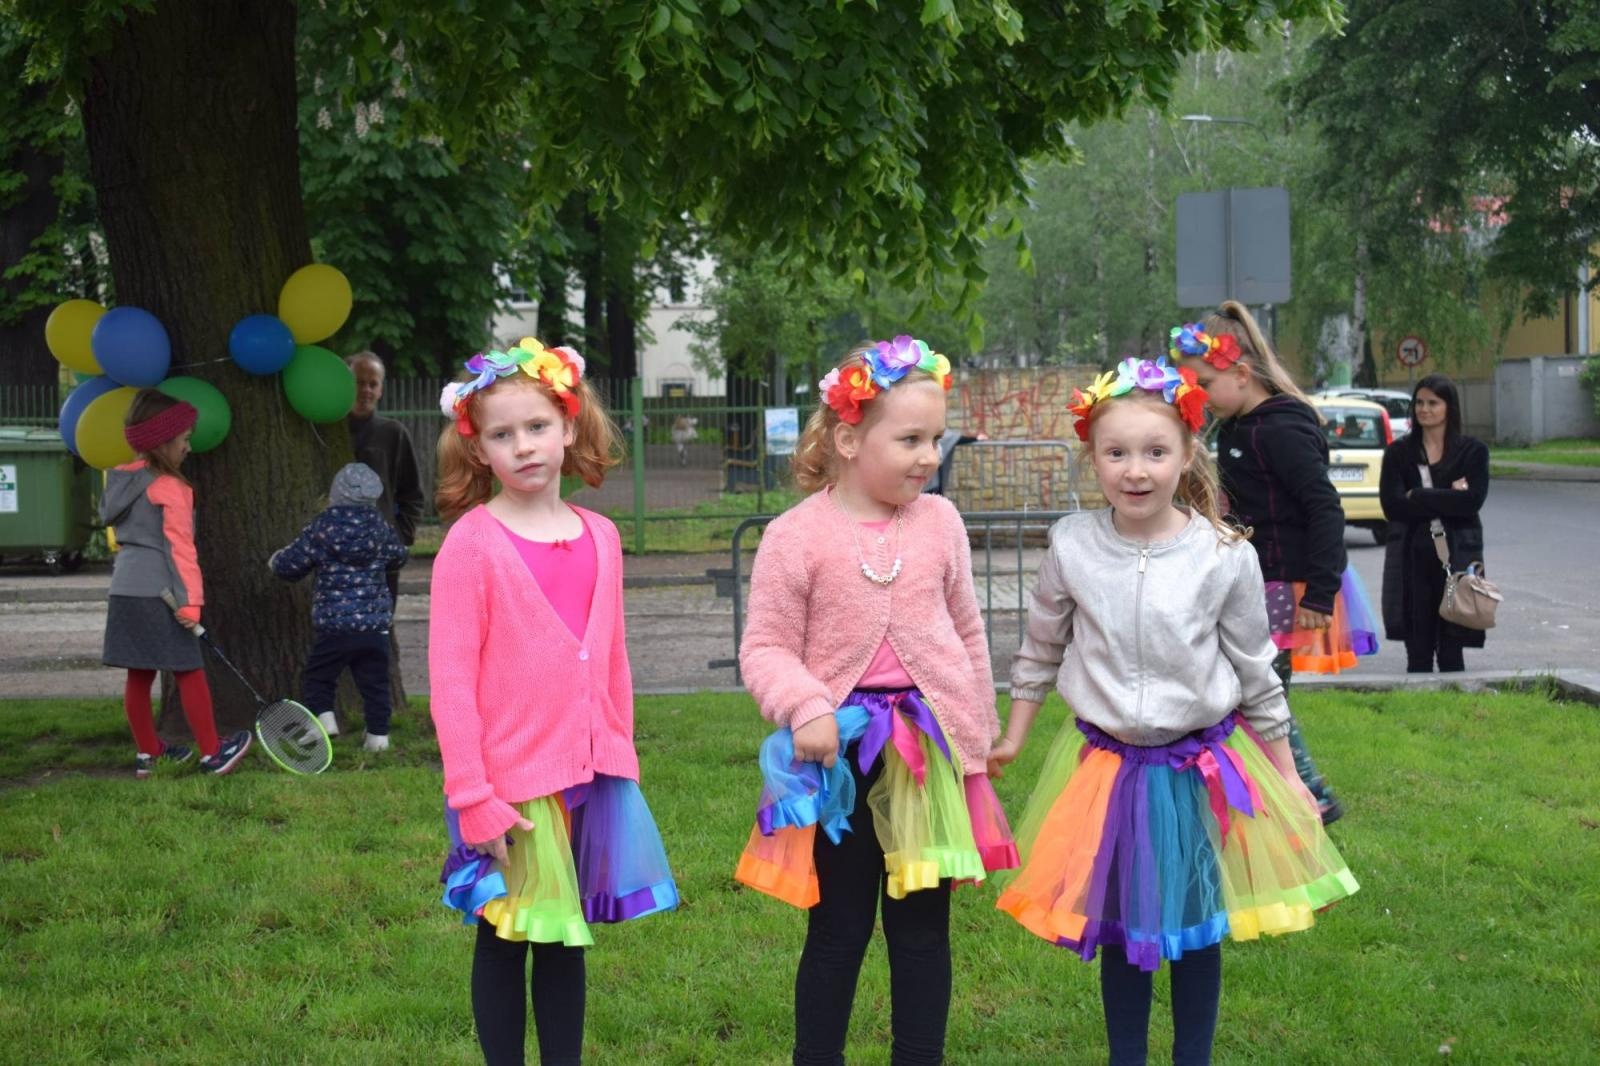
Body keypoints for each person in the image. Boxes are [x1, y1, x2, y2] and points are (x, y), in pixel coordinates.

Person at [990, 355, 1358, 1066]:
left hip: (1198, 767)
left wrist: (1287, 776)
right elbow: (1038, 653)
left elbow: (1258, 679)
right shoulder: (1072, 545)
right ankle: (1126, 1056)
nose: (1136, 470)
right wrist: (1013, 736)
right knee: (1123, 925)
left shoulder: (1223, 555)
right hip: (1107, 768)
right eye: (1117, 453)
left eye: (1155, 452)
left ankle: (1194, 1057)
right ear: (1092, 458)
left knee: (1194, 924)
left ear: (1187, 453)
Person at [736, 335, 1016, 1066]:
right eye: (911, 440)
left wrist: (976, 733)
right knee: (840, 927)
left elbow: (967, 630)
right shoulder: (795, 537)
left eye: (935, 438)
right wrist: (806, 704)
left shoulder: (941, 523)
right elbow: (763, 648)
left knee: (924, 931)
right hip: (840, 757)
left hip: (926, 755)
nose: (929, 456)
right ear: (850, 439)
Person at [429, 338, 678, 1066]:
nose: (524, 446)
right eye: (501, 435)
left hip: (587, 773)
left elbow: (612, 661)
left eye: (537, 427)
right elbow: (450, 683)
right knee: (508, 934)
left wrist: (618, 758)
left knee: (565, 937)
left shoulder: (601, 535)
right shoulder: (471, 548)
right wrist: (471, 794)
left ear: (570, 427)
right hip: (506, 785)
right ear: (479, 452)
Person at [1171, 303, 1377, 825]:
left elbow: (1324, 508)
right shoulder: (1238, 427)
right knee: (1249, 691)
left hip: (1286, 588)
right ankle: (1276, 792)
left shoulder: (1278, 429)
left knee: (1257, 693)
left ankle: (1310, 791)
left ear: (1241, 374)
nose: (1200, 396)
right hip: (1257, 584)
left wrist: (1318, 594)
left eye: (1204, 383)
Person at [100, 389, 252, 777]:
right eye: (183, 439)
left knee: (138, 673)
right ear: (161, 442)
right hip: (162, 591)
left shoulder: (119, 480)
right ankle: (212, 753)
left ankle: (148, 753)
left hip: (125, 589)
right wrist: (191, 603)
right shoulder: (171, 488)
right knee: (188, 668)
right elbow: (180, 550)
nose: (188, 447)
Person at [268, 462, 409, 750]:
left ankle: (324, 720)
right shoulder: (380, 526)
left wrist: (275, 560)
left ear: (336, 494)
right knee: (375, 683)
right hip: (374, 626)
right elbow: (399, 556)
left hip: (335, 625)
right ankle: (378, 738)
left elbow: (290, 565)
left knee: (318, 677)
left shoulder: (323, 527)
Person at [1379, 374, 1490, 673]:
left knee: (1454, 640)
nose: (1423, 409)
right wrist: (1447, 496)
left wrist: (1418, 494)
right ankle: (1420, 704)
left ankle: (1453, 704)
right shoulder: (1399, 453)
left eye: (1432, 403)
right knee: (1417, 644)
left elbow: (1472, 502)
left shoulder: (1472, 451)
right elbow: (1392, 506)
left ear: (1449, 407)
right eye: (1419, 402)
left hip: (1458, 554)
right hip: (1412, 555)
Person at [346, 351, 426, 547]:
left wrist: (398, 537)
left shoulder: (393, 433)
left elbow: (413, 493)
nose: (366, 389)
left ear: (380, 390)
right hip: (336, 551)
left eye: (373, 384)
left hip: (380, 553)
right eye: (359, 382)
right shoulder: (329, 432)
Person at [921, 428, 989, 496]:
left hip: (934, 480)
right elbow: (954, 438)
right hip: (927, 481)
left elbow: (955, 438)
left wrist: (976, 439)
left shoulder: (938, 432)